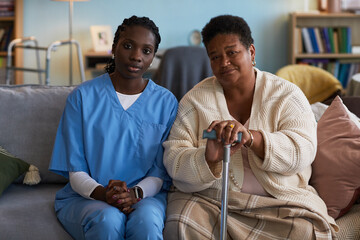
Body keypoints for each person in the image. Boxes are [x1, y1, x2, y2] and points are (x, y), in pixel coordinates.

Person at [162, 15, 337, 239]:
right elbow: (174, 160)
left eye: (232, 52)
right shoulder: (194, 101)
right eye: (215, 57)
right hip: (210, 201)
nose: (224, 62)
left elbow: (303, 150)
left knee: (305, 231)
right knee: (180, 224)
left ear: (251, 52)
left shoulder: (287, 94)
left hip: (277, 203)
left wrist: (253, 138)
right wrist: (208, 158)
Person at [49, 15, 178, 240]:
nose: (136, 56)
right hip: (88, 197)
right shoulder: (82, 97)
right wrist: (104, 194)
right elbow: (75, 170)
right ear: (114, 47)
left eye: (146, 51)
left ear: (153, 57)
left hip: (145, 196)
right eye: (128, 46)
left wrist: (135, 193)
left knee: (146, 224)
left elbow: (159, 172)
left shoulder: (166, 103)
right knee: (108, 221)